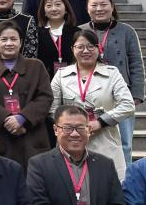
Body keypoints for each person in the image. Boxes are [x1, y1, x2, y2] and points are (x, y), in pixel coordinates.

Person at [50, 28, 135, 180]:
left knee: (106, 184)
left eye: (91, 46)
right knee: (71, 185)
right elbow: (53, 109)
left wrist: (100, 122)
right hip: (71, 139)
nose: (86, 51)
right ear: (73, 49)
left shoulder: (112, 73)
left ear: (98, 49)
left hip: (104, 139)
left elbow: (128, 105)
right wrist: (68, 127)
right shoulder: (61, 75)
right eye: (80, 47)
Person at [84, 0, 146, 164]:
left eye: (103, 4)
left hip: (121, 93)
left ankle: (124, 177)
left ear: (112, 7)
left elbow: (136, 63)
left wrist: (136, 95)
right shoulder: (80, 30)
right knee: (90, 140)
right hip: (89, 93)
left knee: (124, 143)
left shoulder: (126, 31)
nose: (99, 9)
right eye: (94, 5)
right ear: (87, 8)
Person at [0, 21, 53, 168]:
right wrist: (7, 119)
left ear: (21, 42)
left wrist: (22, 118)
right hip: (2, 136)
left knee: (35, 177)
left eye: (14, 39)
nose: (9, 43)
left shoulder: (36, 65)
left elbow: (45, 97)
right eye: (4, 39)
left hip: (33, 135)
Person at [36, 0, 78, 78]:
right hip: (44, 80)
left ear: (66, 9)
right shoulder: (36, 33)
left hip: (73, 79)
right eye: (49, 5)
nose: (54, 9)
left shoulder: (76, 32)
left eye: (58, 4)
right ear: (44, 11)